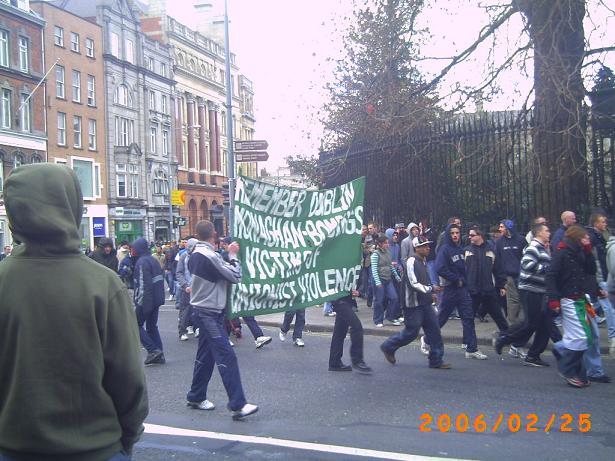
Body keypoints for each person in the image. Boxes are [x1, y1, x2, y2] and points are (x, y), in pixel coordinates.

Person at [0, 164, 148, 461]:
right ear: (72, 205)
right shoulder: (103, 283)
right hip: (95, 447)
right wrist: (126, 439)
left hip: (13, 446)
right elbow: (129, 379)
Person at [186, 220, 258, 419]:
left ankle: (196, 396)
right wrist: (233, 255)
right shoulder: (209, 256)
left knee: (206, 356)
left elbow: (220, 271)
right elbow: (235, 275)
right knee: (227, 355)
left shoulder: (197, 254)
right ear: (214, 234)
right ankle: (238, 404)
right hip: (208, 313)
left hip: (203, 311)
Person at [546, 225, 604, 388]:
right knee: (580, 338)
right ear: (577, 238)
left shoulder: (579, 252)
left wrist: (588, 251)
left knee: (587, 336)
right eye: (585, 237)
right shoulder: (561, 252)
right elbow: (551, 276)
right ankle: (568, 369)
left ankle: (577, 370)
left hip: (580, 298)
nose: (587, 240)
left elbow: (590, 270)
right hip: (568, 299)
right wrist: (553, 300)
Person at [380, 236, 451, 369]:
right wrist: (430, 289)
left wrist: (430, 294)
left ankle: (436, 360)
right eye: (424, 246)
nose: (428, 248)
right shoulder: (411, 261)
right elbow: (413, 283)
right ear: (416, 248)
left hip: (425, 303)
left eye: (428, 245)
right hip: (412, 304)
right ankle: (388, 346)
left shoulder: (423, 261)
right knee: (411, 332)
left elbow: (425, 280)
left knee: (434, 330)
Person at [495, 223, 553, 366]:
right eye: (546, 230)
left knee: (544, 325)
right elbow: (527, 264)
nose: (549, 233)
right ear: (539, 233)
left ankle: (533, 355)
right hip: (530, 290)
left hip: (539, 290)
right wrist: (547, 268)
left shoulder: (541, 248)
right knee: (531, 323)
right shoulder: (533, 247)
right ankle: (505, 338)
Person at [434, 223, 488, 359]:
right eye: (452, 233)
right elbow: (439, 268)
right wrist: (455, 278)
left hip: (462, 289)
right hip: (450, 289)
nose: (455, 235)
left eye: (457, 233)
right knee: (442, 318)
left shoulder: (460, 249)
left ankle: (472, 348)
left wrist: (464, 280)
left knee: (468, 317)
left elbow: (463, 268)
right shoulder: (445, 249)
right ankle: (428, 339)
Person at [464, 226, 509, 331]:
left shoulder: (491, 251)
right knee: (468, 319)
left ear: (480, 236)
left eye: (472, 235)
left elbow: (498, 269)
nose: (469, 237)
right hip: (472, 290)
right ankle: (469, 339)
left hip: (488, 290)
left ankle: (507, 336)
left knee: (498, 316)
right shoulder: (466, 251)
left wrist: (501, 285)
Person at [133, 237, 166, 365]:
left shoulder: (141, 262)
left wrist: (139, 303)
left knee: (135, 324)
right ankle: (159, 354)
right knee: (152, 327)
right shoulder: (153, 260)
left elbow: (143, 285)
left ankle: (153, 351)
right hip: (157, 299)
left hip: (146, 300)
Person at [328, 291, 372, 373]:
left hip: (346, 301)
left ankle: (334, 362)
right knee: (357, 327)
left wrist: (359, 292)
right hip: (339, 301)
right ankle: (357, 360)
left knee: (339, 332)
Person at [496, 219, 526, 325]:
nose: (499, 229)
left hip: (522, 276)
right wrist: (502, 282)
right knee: (512, 305)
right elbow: (498, 262)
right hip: (509, 278)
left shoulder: (521, 240)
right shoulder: (499, 242)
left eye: (501, 227)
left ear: (508, 227)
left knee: (524, 303)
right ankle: (514, 326)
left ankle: (522, 325)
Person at [371, 234, 402, 327]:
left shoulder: (388, 252)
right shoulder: (375, 254)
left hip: (388, 279)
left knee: (394, 298)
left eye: (387, 243)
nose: (387, 245)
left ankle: (390, 316)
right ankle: (378, 320)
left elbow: (390, 265)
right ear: (380, 244)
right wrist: (377, 282)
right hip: (379, 280)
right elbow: (374, 269)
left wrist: (397, 276)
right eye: (385, 243)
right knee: (379, 301)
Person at [176, 238, 198, 341]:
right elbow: (179, 273)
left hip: (198, 288)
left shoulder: (199, 257)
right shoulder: (183, 257)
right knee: (185, 311)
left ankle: (197, 328)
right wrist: (185, 286)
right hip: (187, 288)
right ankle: (182, 331)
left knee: (198, 310)